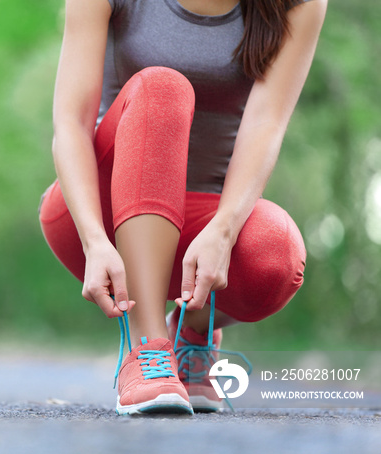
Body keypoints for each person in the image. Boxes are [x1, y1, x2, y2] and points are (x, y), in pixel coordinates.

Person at [38, 0, 327, 414]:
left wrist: (224, 231)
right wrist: (94, 240)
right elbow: (70, 123)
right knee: (162, 87)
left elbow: (267, 122)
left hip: (203, 225)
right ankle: (147, 349)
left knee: (277, 255)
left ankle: (190, 333)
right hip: (100, 214)